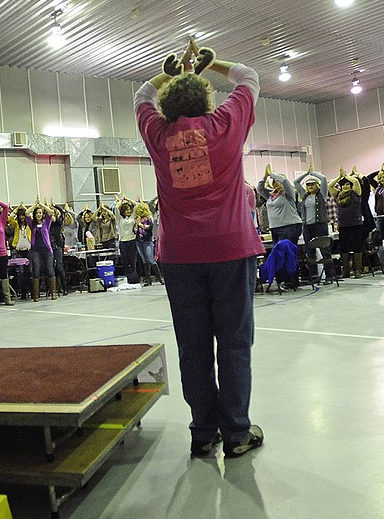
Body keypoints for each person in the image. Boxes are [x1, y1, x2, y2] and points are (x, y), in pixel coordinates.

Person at [135, 37, 265, 458]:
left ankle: (202, 432)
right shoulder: (226, 124)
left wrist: (172, 72)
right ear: (208, 103)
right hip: (231, 249)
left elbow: (142, 95)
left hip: (180, 255)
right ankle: (237, 433)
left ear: (168, 109)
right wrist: (210, 65)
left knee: (193, 345)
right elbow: (250, 77)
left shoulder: (157, 133)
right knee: (234, 342)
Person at [293, 164, 335, 284]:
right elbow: (296, 182)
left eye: (312, 184)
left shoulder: (322, 195)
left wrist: (313, 173)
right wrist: (306, 174)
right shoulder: (304, 195)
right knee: (309, 253)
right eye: (308, 184)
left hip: (320, 226)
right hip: (307, 227)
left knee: (325, 251)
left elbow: (323, 179)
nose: (309, 186)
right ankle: (314, 277)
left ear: (317, 185)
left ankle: (329, 277)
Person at [328, 167, 363, 279]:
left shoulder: (356, 193)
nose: (346, 186)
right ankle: (346, 271)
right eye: (344, 184)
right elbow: (330, 186)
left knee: (357, 246)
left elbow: (356, 181)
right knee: (343, 248)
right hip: (343, 225)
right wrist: (340, 177)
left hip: (356, 223)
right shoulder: (338, 195)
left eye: (348, 184)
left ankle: (358, 269)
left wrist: (346, 176)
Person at [258, 165, 303, 245]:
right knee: (279, 253)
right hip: (274, 227)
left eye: (278, 180)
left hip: (289, 226)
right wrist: (265, 177)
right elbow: (260, 189)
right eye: (275, 181)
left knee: (287, 251)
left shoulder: (289, 193)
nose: (277, 183)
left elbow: (284, 181)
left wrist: (272, 174)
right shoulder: (271, 195)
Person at [25, 197, 57, 301]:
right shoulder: (32, 224)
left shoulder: (46, 223)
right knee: (36, 271)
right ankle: (36, 295)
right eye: (37, 213)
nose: (39, 214)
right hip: (35, 251)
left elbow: (51, 212)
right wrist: (35, 205)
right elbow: (26, 213)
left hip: (47, 249)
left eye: (40, 213)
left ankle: (53, 292)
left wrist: (42, 205)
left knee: (49, 270)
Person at [134, 201, 163, 285]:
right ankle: (148, 279)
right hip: (139, 241)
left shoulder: (149, 217)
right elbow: (135, 231)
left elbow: (149, 228)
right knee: (144, 260)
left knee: (150, 259)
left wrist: (140, 224)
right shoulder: (137, 218)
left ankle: (159, 277)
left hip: (147, 240)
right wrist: (136, 224)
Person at [113, 195, 140, 284]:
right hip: (123, 242)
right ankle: (127, 278)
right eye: (126, 209)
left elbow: (136, 205)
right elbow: (116, 209)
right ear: (123, 211)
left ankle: (134, 278)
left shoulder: (132, 217)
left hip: (132, 241)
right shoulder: (119, 218)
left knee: (133, 260)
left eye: (129, 209)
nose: (129, 211)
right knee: (125, 261)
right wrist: (120, 201)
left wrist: (127, 199)